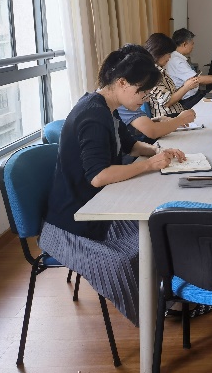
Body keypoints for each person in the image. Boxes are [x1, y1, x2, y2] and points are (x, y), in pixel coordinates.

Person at [38, 46, 187, 326]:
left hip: (97, 206)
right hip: (71, 224)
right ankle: (154, 315)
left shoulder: (107, 107)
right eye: (142, 92)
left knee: (157, 231)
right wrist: (149, 165)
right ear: (122, 83)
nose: (144, 98)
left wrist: (158, 152)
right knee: (125, 259)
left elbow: (130, 145)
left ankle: (167, 300)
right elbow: (99, 176)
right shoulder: (92, 115)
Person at [115, 45, 197, 144]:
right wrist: (180, 120)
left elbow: (131, 137)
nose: (147, 99)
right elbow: (152, 131)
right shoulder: (120, 102)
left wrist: (155, 121)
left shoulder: (123, 98)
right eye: (143, 91)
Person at [167, 28, 212, 109]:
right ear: (185, 44)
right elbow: (197, 79)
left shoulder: (177, 58)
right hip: (188, 100)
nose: (193, 47)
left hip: (194, 96)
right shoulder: (177, 61)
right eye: (192, 44)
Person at [144, 33, 200, 118]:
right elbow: (167, 102)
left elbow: (170, 94)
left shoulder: (161, 70)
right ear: (159, 53)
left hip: (176, 113)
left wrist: (186, 85)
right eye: (168, 54)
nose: (170, 57)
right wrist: (186, 87)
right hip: (167, 118)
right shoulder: (153, 74)